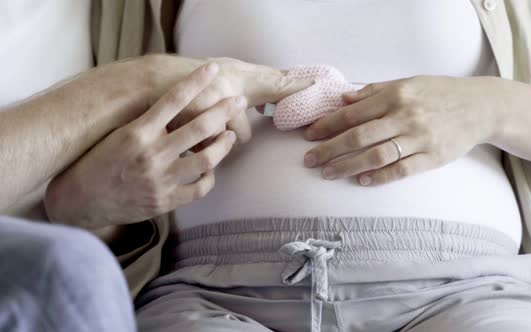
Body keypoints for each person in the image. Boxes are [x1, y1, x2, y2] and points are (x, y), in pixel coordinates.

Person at [43, 1, 531, 331]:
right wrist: (87, 207)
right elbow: (94, 198)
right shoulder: (129, 9)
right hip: (216, 296)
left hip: (468, 290)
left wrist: (492, 106)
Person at [0, 1, 309, 331]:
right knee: (70, 272)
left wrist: (89, 213)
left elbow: (108, 220)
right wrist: (137, 83)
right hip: (68, 277)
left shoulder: (122, 16)